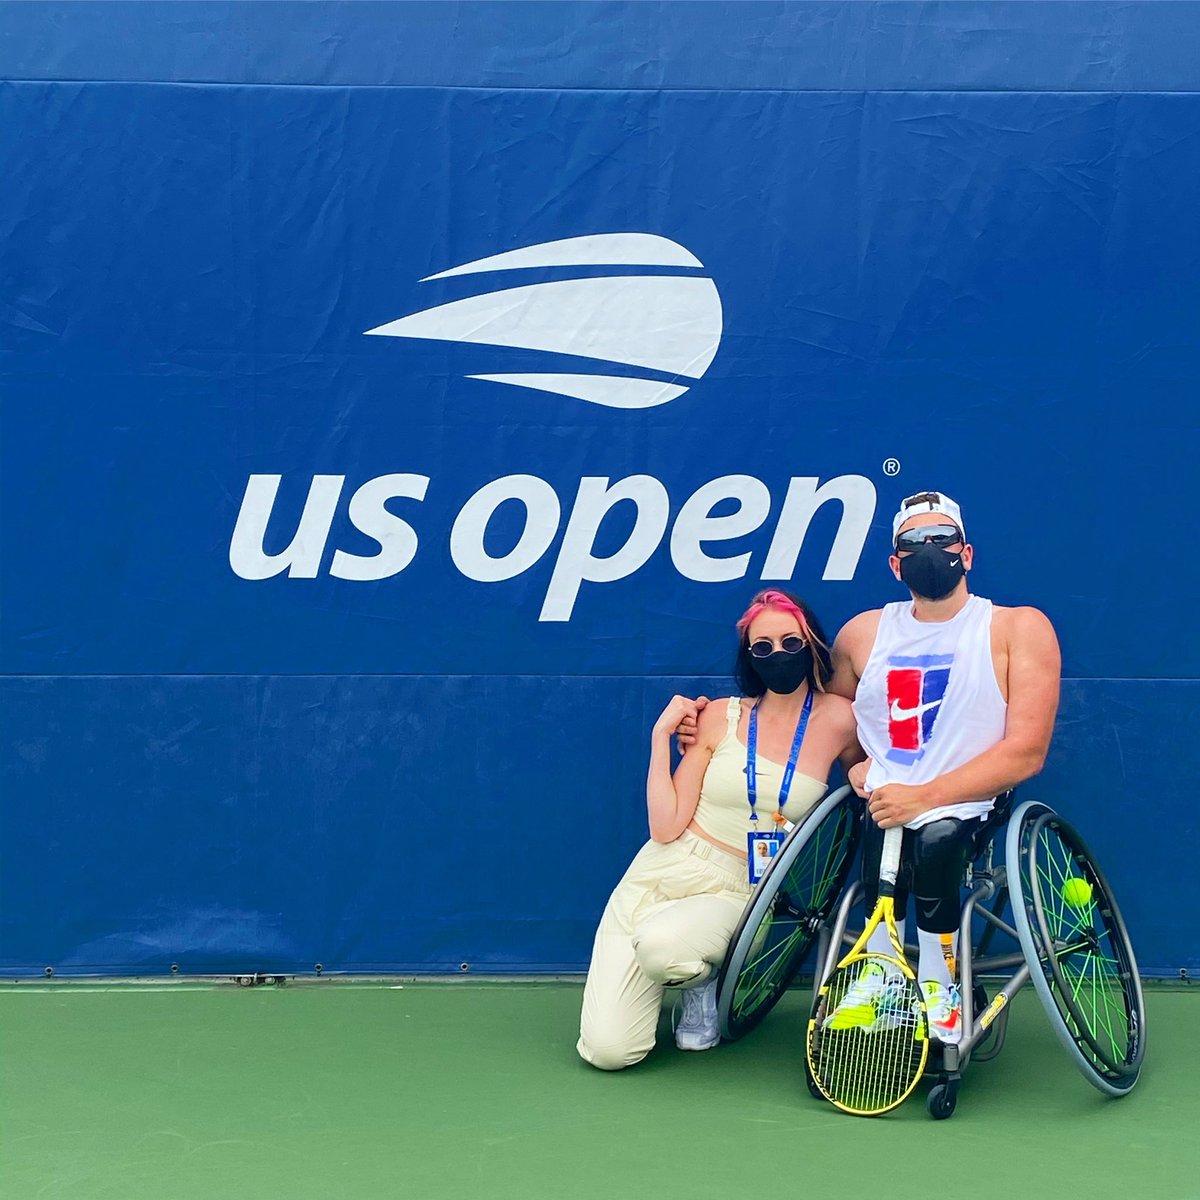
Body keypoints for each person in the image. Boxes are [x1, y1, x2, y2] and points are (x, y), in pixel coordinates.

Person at [576, 590, 861, 1070]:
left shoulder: (841, 719)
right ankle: (672, 965)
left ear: (812, 642)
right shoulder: (719, 716)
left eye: (789, 642)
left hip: (741, 889)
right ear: (749, 657)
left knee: (663, 948)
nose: (777, 655)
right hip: (661, 874)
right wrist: (660, 738)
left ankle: (698, 978)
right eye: (762, 647)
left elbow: (866, 777)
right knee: (609, 1052)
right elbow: (665, 827)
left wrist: (866, 774)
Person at [824, 490, 1061, 1044]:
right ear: (895, 562)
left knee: (935, 837)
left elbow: (1027, 750)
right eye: (914, 542)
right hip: (887, 801)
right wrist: (855, 765)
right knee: (883, 826)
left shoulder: (1017, 628)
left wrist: (926, 796)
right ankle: (880, 976)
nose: (930, 550)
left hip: (969, 801)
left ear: (967, 552)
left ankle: (939, 986)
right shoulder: (861, 634)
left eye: (942, 540)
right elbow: (838, 715)